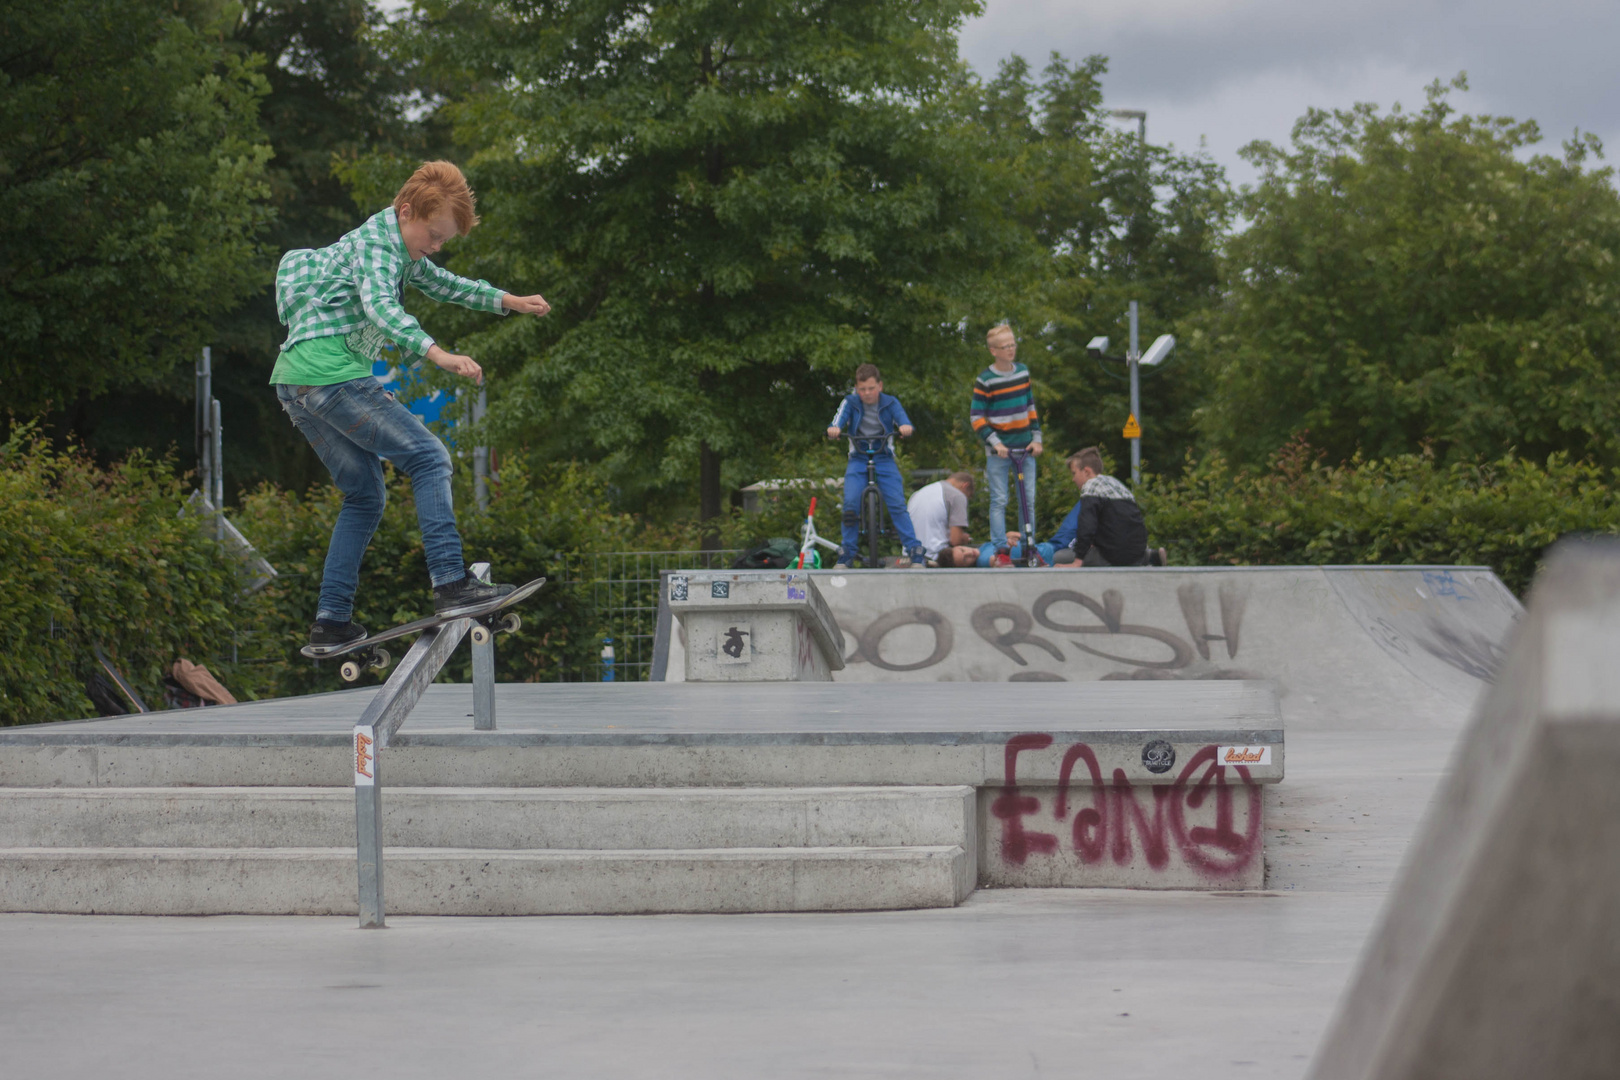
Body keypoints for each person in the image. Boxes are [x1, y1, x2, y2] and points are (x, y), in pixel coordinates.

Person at [271, 160, 553, 649]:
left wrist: (509, 301)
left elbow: (445, 284)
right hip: (332, 378)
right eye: (434, 236)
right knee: (429, 457)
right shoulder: (377, 248)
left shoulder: (398, 248)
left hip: (295, 384)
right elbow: (383, 306)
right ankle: (451, 585)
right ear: (406, 213)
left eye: (444, 241)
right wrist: (439, 354)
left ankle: (331, 619)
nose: (437, 247)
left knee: (364, 495)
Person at [825, 363, 926, 568]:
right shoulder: (850, 402)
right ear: (856, 388)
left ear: (880, 386)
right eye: (862, 389)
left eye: (871, 388)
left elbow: (903, 420)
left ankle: (914, 550)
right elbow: (838, 419)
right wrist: (834, 428)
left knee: (897, 503)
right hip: (858, 457)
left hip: (884, 456)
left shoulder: (890, 402)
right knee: (850, 503)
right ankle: (848, 553)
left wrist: (905, 427)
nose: (867, 393)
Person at [970, 323, 1043, 548]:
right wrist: (995, 442)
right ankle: (1000, 546)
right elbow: (976, 417)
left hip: (1025, 448)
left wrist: (1037, 438)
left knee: (1027, 499)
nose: (1011, 349)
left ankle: (1028, 543)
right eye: (1005, 346)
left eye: (1013, 344)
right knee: (999, 499)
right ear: (994, 351)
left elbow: (1030, 406)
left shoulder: (1022, 372)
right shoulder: (986, 380)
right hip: (999, 452)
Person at [1050, 447, 1166, 567]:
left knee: (1060, 556)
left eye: (1074, 473)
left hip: (1112, 556)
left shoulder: (1091, 486)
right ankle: (1149, 556)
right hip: (1136, 552)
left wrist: (1077, 562)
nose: (1073, 479)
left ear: (1086, 471)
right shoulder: (1118, 485)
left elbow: (1086, 527)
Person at [907, 471, 974, 562]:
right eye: (968, 495)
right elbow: (955, 540)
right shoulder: (957, 495)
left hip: (910, 553)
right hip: (936, 555)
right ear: (965, 485)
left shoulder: (920, 492)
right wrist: (964, 538)